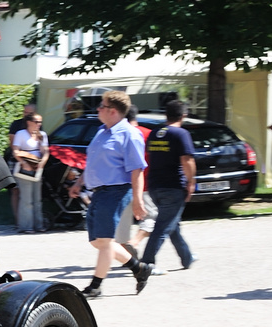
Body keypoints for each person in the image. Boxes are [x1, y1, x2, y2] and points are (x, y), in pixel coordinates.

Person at [76, 91, 151, 297]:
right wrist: (79, 182)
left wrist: (137, 200)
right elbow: (93, 162)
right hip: (99, 192)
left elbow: (137, 169)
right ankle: (139, 268)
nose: (98, 109)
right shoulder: (102, 131)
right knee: (98, 242)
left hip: (116, 191)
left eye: (101, 106)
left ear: (113, 111)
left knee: (105, 241)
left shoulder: (129, 134)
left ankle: (95, 286)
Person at [140, 99, 197, 273]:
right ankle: (146, 263)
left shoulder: (155, 132)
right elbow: (187, 160)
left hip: (154, 185)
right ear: (184, 115)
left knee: (171, 223)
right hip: (172, 186)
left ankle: (187, 257)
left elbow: (151, 155)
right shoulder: (180, 134)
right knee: (163, 225)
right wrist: (191, 182)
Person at [113, 103, 156, 253]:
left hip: (122, 186)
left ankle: (129, 258)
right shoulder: (149, 134)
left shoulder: (118, 135)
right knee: (151, 217)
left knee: (122, 226)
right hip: (143, 184)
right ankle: (135, 241)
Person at [11, 111, 49, 233]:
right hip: (25, 169)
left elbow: (45, 151)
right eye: (36, 122)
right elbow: (15, 151)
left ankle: (38, 225)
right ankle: (26, 226)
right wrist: (24, 163)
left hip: (38, 168)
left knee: (37, 199)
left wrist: (42, 163)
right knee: (26, 199)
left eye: (40, 122)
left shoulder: (42, 134)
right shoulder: (21, 134)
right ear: (29, 122)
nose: (39, 124)